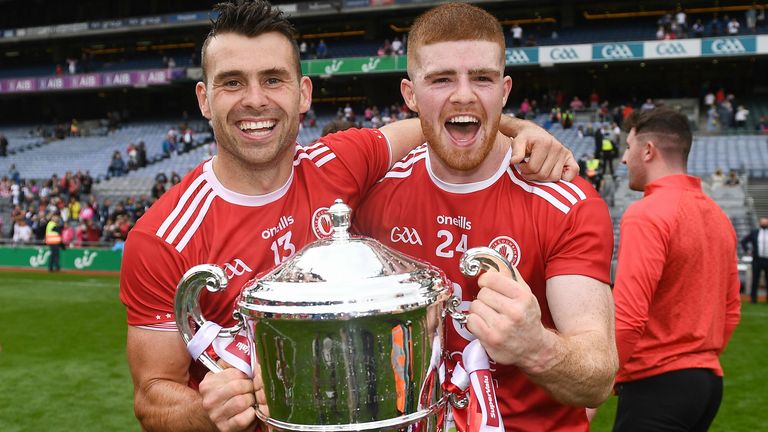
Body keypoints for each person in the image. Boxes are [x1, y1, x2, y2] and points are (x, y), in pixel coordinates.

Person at [119, 2, 576, 431]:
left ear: (303, 94)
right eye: (232, 82)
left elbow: (445, 117)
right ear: (204, 98)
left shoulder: (340, 162)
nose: (254, 100)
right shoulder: (163, 236)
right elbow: (152, 395)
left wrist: (525, 130)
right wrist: (207, 408)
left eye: (273, 80)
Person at [353, 4, 617, 430]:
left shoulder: (566, 203)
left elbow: (598, 375)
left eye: (482, 78)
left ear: (505, 90)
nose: (463, 95)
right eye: (441, 79)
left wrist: (536, 348)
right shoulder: (372, 197)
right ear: (410, 94)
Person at [611, 107, 741, 431]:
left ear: (648, 151)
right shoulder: (718, 216)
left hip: (656, 385)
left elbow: (629, 317)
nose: (625, 159)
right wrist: (697, 358)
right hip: (707, 384)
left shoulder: (646, 215)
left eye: (628, 148)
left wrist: (601, 378)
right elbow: (732, 311)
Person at [741, 217, 768, 304]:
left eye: (766, 223)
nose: (764, 224)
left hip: (767, 259)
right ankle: (753, 299)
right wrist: (748, 251)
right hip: (757, 259)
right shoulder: (755, 232)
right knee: (755, 279)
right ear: (760, 223)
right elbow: (744, 241)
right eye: (763, 222)